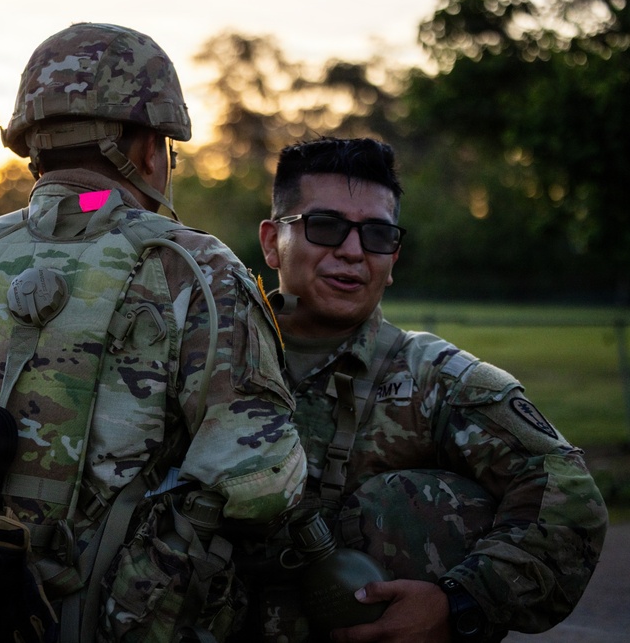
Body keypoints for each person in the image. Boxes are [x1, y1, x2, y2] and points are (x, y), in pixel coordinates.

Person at [0, 22, 307, 643]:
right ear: (142, 147)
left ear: (33, 143)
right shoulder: (195, 265)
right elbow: (264, 479)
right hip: (112, 614)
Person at [248, 136, 608, 642]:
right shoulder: (209, 363)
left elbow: (571, 499)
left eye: (377, 235)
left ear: (393, 256)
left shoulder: (437, 378)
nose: (352, 252)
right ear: (271, 242)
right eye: (325, 227)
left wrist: (459, 600)